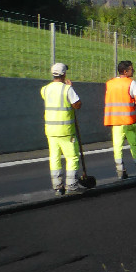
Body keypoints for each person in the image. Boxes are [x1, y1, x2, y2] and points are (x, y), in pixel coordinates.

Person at [104, 60, 136, 180]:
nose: (133, 71)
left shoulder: (110, 83)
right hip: (129, 120)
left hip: (115, 121)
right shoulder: (131, 83)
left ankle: (121, 172)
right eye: (131, 69)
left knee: (117, 147)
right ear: (125, 71)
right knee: (135, 145)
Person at [41, 62, 84, 194]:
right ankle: (71, 186)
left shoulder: (45, 89)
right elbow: (77, 105)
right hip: (65, 130)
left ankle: (58, 187)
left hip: (50, 129)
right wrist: (70, 87)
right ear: (64, 74)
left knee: (54, 157)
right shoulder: (67, 89)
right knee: (72, 157)